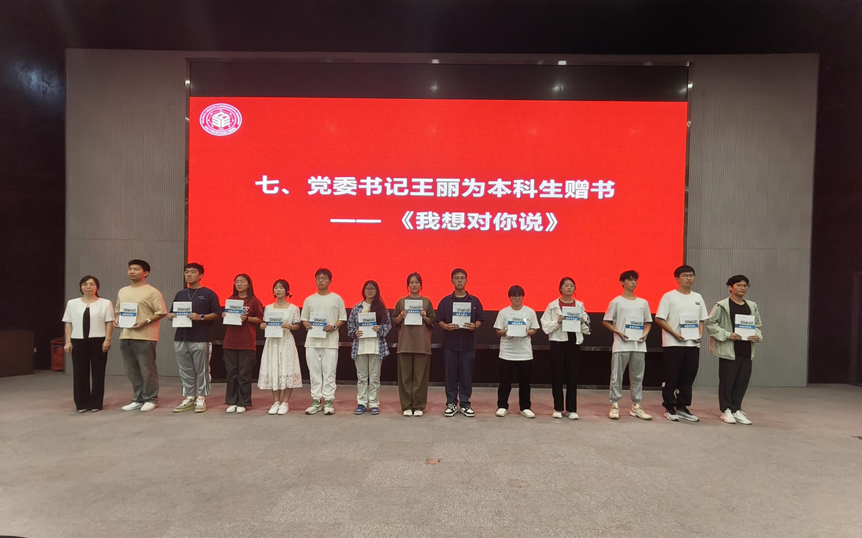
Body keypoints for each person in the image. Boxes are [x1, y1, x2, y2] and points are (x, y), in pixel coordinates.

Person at [654, 265, 710, 422]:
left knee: (688, 377)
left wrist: (700, 334)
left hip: (692, 344)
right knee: (671, 376)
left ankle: (683, 406)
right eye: (685, 275)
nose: (689, 278)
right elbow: (659, 318)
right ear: (677, 279)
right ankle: (669, 407)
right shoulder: (669, 297)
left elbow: (702, 319)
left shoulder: (698, 297)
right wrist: (674, 333)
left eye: (691, 275)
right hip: (673, 343)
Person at [706, 275, 763, 425]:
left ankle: (736, 409)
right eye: (739, 285)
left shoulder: (752, 305)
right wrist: (727, 334)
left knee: (742, 381)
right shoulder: (722, 305)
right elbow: (710, 323)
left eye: (745, 285)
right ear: (730, 287)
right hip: (729, 349)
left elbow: (757, 325)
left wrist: (757, 335)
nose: (743, 288)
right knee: (727, 381)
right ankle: (726, 410)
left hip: (746, 348)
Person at [166, 263, 220, 414]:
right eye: (186, 272)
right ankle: (189, 396)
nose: (189, 275)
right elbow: (172, 312)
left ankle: (201, 397)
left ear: (200, 275)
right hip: (181, 337)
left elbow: (217, 314)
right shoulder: (180, 294)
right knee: (185, 369)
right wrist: (170, 316)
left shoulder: (208, 293)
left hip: (201, 337)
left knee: (202, 369)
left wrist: (200, 317)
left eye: (192, 272)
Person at [114, 259, 166, 412]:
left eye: (136, 269)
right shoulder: (123, 291)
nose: (131, 271)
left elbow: (161, 312)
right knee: (131, 370)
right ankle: (138, 398)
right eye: (130, 268)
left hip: (145, 336)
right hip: (126, 335)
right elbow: (118, 310)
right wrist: (117, 319)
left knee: (147, 370)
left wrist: (146, 321)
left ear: (146, 273)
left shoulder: (152, 292)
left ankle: (151, 398)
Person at [602, 270, 653, 420]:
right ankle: (614, 404)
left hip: (639, 345)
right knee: (617, 376)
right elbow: (606, 321)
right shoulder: (616, 302)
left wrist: (645, 333)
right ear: (622, 282)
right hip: (621, 344)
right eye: (630, 280)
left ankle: (636, 405)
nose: (633, 282)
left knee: (637, 376)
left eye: (635, 280)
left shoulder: (643, 303)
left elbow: (648, 322)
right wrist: (618, 332)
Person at [437, 268, 485, 417]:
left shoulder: (474, 301)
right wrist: (445, 326)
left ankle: (465, 403)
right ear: (451, 280)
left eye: (462, 278)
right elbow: (439, 320)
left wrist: (475, 325)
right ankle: (451, 403)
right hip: (450, 344)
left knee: (466, 375)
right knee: (450, 375)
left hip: (467, 344)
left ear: (466, 280)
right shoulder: (445, 301)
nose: (459, 280)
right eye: (456, 278)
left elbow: (480, 319)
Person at [62, 276, 114, 413]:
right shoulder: (72, 303)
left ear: (97, 287)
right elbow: (68, 323)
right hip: (77, 340)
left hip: (98, 340)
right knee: (79, 372)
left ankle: (96, 403)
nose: (88, 287)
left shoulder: (105, 303)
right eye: (85, 284)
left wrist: (107, 339)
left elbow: (109, 322)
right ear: (81, 287)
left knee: (98, 372)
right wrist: (68, 341)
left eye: (92, 284)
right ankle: (82, 403)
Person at [541, 277, 591, 419]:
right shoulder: (552, 306)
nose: (569, 288)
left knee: (572, 376)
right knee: (557, 375)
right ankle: (557, 408)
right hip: (557, 342)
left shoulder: (579, 305)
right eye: (566, 285)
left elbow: (587, 328)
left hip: (573, 343)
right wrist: (557, 322)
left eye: (571, 285)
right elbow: (545, 326)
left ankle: (571, 409)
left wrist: (581, 321)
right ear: (560, 288)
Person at [301, 268, 347, 415]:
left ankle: (328, 401)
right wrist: (306, 325)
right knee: (314, 372)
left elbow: (342, 318)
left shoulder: (336, 298)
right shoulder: (309, 299)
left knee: (329, 372)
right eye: (318, 278)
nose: (320, 280)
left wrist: (333, 327)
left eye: (324, 278)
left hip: (330, 342)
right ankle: (316, 400)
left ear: (330, 281)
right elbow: (304, 318)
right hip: (312, 342)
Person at [392, 273, 436, 417]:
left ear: (420, 284)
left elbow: (432, 321)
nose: (414, 285)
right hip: (405, 344)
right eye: (411, 282)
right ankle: (406, 405)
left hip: (422, 344)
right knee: (404, 377)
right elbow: (395, 321)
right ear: (408, 285)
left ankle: (418, 406)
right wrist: (400, 317)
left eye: (417, 282)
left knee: (420, 378)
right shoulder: (401, 301)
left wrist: (425, 317)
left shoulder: (426, 301)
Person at [493, 285, 540, 418]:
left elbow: (534, 329)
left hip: (524, 353)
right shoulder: (503, 312)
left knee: (524, 382)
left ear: (523, 297)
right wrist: (507, 332)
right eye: (514, 295)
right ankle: (502, 406)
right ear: (510, 297)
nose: (517, 298)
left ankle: (525, 407)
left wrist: (526, 332)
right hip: (507, 352)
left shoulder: (530, 312)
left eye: (519, 295)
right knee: (504, 382)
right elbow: (498, 331)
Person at [347, 280, 392, 415]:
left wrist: (380, 329)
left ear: (377, 291)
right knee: (361, 377)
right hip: (360, 347)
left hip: (376, 347)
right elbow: (350, 326)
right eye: (367, 288)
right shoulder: (357, 307)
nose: (370, 291)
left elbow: (388, 325)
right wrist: (355, 332)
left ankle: (373, 403)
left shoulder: (381, 308)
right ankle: (361, 403)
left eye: (373, 289)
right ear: (363, 291)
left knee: (374, 377)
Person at [258, 279, 302, 415]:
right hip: (272, 342)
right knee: (274, 369)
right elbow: (265, 323)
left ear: (287, 291)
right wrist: (263, 326)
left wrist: (290, 326)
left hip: (286, 341)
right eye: (276, 287)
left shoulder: (293, 308)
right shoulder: (268, 308)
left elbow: (297, 325)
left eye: (281, 287)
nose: (278, 290)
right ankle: (276, 401)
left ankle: (285, 402)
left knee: (286, 368)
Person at [220, 273, 264, 414]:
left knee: (244, 373)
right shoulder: (231, 300)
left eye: (242, 281)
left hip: (246, 342)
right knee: (231, 373)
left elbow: (260, 319)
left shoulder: (254, 301)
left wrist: (247, 318)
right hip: (230, 341)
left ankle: (243, 402)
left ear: (248, 284)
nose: (239, 284)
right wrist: (225, 315)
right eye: (236, 281)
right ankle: (231, 401)